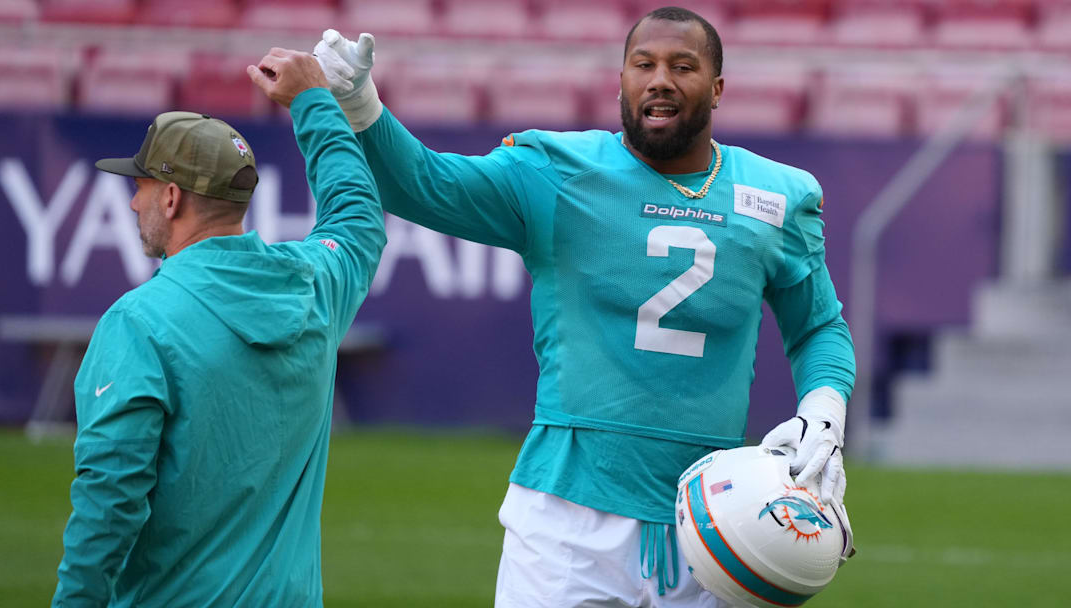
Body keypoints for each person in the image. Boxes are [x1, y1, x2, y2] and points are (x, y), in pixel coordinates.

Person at [313, 6, 856, 607]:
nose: (660, 80)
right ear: (620, 80)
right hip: (566, 515)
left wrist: (823, 416)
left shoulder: (777, 195)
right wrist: (359, 102)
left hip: (715, 519)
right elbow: (425, 184)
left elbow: (819, 327)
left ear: (718, 88)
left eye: (683, 66)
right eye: (643, 64)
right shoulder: (555, 170)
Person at [52, 51, 385, 606]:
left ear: (171, 197)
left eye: (141, 185)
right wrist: (313, 101)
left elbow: (108, 503)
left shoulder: (137, 323)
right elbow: (357, 218)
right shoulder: (314, 287)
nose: (132, 201)